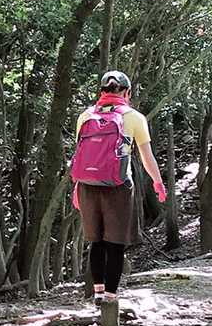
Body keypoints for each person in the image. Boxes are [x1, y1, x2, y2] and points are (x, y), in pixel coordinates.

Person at [70, 70, 167, 301]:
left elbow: (81, 157)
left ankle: (98, 292)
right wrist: (158, 182)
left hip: (87, 186)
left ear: (101, 91)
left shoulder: (85, 116)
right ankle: (110, 297)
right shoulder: (134, 117)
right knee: (115, 243)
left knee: (96, 241)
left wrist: (76, 188)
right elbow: (147, 157)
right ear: (127, 92)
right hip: (118, 186)